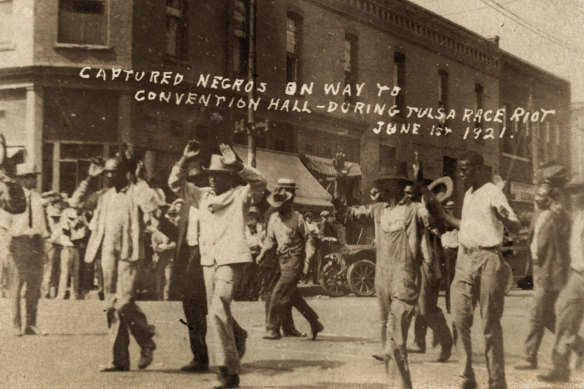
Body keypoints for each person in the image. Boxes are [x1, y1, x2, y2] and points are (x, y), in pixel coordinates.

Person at [169, 141, 266, 389]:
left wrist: (240, 166)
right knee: (216, 313)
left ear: (229, 177)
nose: (212, 180)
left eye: (218, 175)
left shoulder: (240, 195)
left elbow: (260, 184)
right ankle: (233, 351)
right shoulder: (201, 196)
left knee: (218, 309)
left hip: (231, 260)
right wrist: (184, 160)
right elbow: (175, 184)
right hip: (208, 261)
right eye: (210, 175)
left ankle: (228, 371)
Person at [337, 160, 433, 389]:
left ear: (399, 187)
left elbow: (434, 217)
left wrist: (424, 188)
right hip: (382, 278)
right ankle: (394, 382)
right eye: (381, 184)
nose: (381, 189)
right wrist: (340, 181)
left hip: (405, 277)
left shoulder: (415, 210)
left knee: (396, 332)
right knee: (386, 332)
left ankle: (402, 385)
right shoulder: (377, 211)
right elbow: (346, 214)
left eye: (387, 185)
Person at [438, 151, 520, 389]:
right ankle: (466, 377)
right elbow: (467, 226)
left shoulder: (492, 191)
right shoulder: (469, 194)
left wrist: (505, 216)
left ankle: (496, 381)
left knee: (489, 324)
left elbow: (513, 224)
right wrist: (443, 215)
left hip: (488, 259)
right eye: (460, 169)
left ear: (478, 169)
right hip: (464, 259)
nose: (462, 173)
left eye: (466, 168)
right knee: (459, 319)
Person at [70, 156, 159, 372]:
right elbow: (76, 204)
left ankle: (146, 338)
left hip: (130, 255)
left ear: (124, 173)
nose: (109, 176)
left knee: (124, 302)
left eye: (114, 172)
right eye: (107, 172)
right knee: (112, 307)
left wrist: (140, 181)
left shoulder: (135, 192)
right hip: (107, 255)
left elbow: (153, 206)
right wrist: (90, 179)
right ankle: (119, 360)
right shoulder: (103, 196)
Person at [514, 185, 571, 370]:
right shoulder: (537, 215)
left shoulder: (557, 216)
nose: (537, 198)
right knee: (547, 317)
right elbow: (522, 218)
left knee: (536, 314)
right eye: (536, 194)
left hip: (550, 270)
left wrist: (561, 213)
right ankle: (578, 345)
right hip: (538, 268)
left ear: (551, 199)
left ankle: (529, 357)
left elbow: (566, 228)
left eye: (542, 196)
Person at [257, 185, 324, 341]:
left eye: (281, 205)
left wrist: (307, 262)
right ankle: (314, 322)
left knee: (278, 292)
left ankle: (272, 329)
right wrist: (262, 253)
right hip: (281, 260)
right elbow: (270, 240)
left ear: (288, 203)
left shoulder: (297, 218)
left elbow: (308, 240)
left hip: (295, 260)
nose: (278, 208)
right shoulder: (274, 218)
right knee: (294, 298)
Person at [538, 188, 584, 382]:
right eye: (571, 192)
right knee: (564, 316)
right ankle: (561, 368)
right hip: (577, 274)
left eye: (577, 192)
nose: (572, 196)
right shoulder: (576, 216)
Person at [7, 163, 49, 336]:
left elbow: (41, 223)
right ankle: (16, 324)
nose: (35, 179)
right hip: (19, 242)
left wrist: (44, 246)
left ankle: (30, 324)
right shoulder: (12, 197)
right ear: (23, 179)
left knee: (34, 285)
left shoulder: (38, 197)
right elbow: (4, 223)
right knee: (16, 285)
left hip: (36, 243)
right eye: (32, 176)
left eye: (35, 176)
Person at [56, 203, 88, 299]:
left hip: (75, 247)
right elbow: (67, 229)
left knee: (74, 273)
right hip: (67, 247)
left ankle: (74, 294)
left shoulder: (81, 216)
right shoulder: (66, 214)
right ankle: (62, 294)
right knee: (66, 272)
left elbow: (86, 228)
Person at [440, 200, 459, 314]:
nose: (450, 210)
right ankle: (450, 306)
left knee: (457, 279)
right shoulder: (442, 222)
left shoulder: (456, 221)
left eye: (452, 208)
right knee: (449, 279)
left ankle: (456, 305)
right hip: (447, 251)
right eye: (448, 208)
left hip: (456, 250)